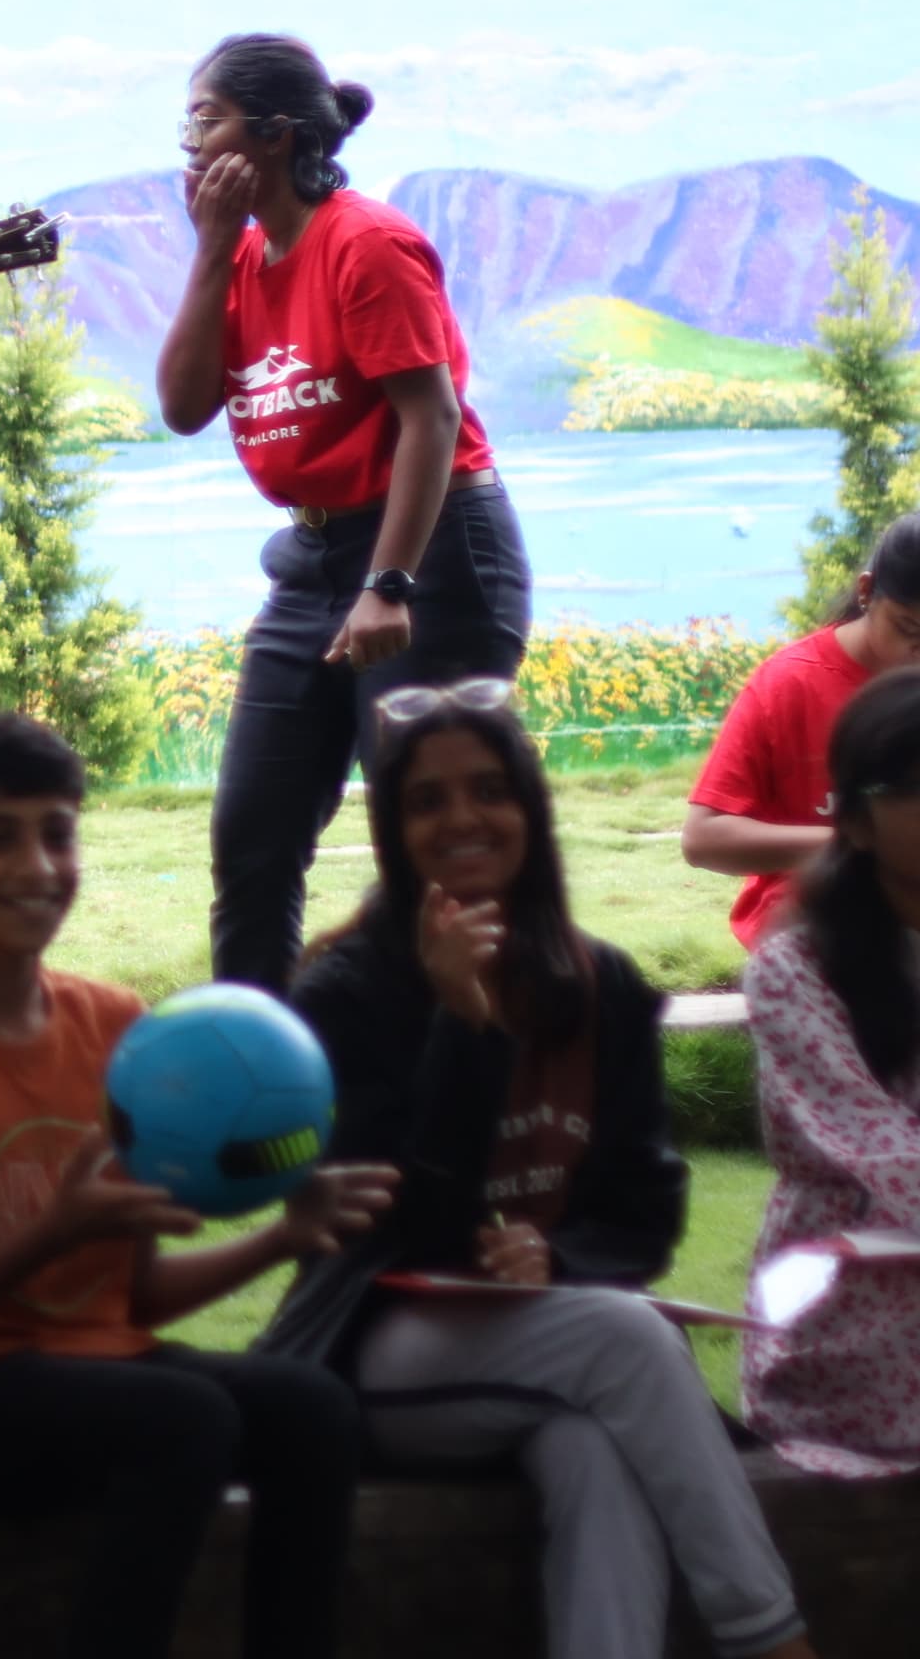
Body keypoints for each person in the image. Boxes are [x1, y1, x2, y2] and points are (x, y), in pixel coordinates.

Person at [0, 714, 390, 1659]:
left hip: (100, 1372)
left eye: (57, 831)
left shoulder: (118, 1026)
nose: (38, 864)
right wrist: (49, 1231)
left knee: (314, 1410)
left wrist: (284, 1235)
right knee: (185, 1420)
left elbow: (131, 1294)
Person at [260, 689, 816, 1659]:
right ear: (394, 829)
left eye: (488, 789)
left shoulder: (600, 982)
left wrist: (550, 1253)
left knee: (592, 1449)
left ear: (529, 809)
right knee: (629, 1336)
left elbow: (644, 1209)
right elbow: (386, 1221)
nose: (463, 817)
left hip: (544, 1346)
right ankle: (770, 1639)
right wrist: (461, 1026)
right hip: (377, 1351)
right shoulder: (344, 992)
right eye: (428, 800)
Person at [155, 35, 531, 991]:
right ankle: (257, 1084)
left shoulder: (366, 243)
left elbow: (431, 417)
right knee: (251, 842)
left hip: (432, 553)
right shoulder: (241, 256)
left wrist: (389, 584)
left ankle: (453, 1091)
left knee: (432, 853)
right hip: (313, 560)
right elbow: (184, 406)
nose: (188, 140)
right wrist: (209, 250)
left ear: (275, 137)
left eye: (207, 118)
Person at [740, 664, 920, 1477]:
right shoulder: (793, 969)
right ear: (851, 820)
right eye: (914, 785)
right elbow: (879, 1150)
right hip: (847, 1333)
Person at [683, 512, 920, 950]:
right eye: (909, 630)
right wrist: (859, 843)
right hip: (811, 926)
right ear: (867, 592)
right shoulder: (791, 682)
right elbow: (703, 838)